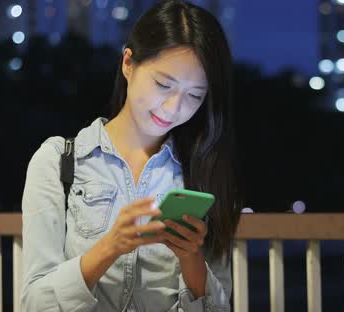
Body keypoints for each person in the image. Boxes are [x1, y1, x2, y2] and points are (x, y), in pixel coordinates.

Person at [21, 1, 242, 311]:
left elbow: (220, 307)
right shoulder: (59, 161)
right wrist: (109, 248)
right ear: (128, 63)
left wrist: (191, 257)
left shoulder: (204, 169)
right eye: (164, 84)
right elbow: (33, 304)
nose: (174, 108)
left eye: (195, 95)